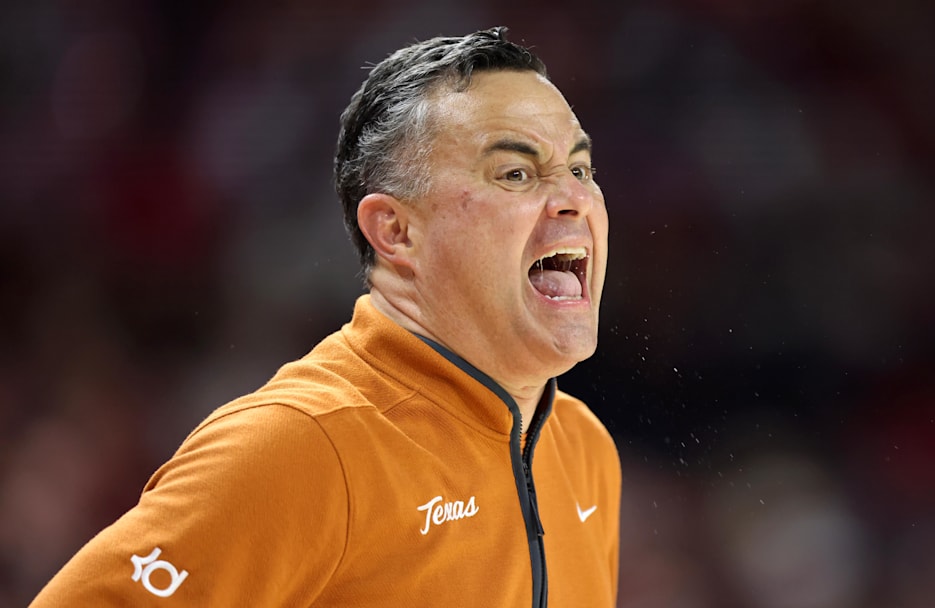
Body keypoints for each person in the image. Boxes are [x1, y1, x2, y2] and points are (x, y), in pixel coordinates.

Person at [30, 26, 620, 607]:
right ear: (396, 232)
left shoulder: (584, 450)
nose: (574, 197)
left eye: (580, 169)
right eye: (515, 173)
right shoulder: (299, 447)